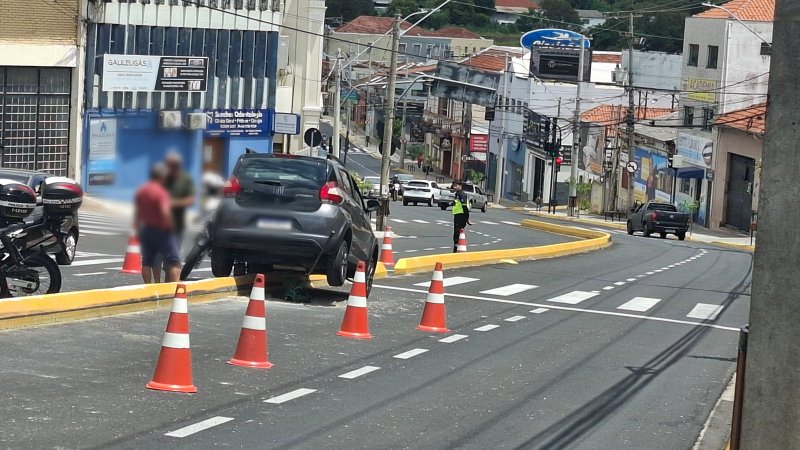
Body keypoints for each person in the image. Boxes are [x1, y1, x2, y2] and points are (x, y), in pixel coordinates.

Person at [134, 164, 180, 283]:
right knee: (174, 262)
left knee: (147, 263)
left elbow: (138, 211)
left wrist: (138, 227)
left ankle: (149, 287)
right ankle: (175, 289)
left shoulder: (142, 190)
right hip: (162, 230)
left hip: (147, 229)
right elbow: (165, 211)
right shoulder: (161, 192)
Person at [164, 151, 195, 250]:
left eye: (172, 165)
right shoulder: (163, 178)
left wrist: (174, 203)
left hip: (177, 224)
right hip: (161, 224)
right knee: (159, 255)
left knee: (174, 253)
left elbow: (191, 200)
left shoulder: (185, 179)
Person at [451, 180, 471, 253]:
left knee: (458, 232)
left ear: (460, 186)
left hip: (461, 216)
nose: (454, 187)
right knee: (456, 232)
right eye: (454, 185)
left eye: (456, 185)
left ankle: (456, 248)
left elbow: (465, 207)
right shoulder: (457, 194)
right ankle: (456, 247)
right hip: (457, 215)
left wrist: (467, 218)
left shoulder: (462, 194)